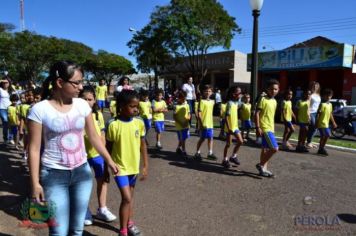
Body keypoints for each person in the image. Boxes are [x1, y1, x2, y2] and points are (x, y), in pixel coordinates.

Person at [27, 61, 119, 236]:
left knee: (77, 229)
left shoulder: (82, 105)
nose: (81, 87)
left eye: (81, 82)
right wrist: (35, 183)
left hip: (82, 173)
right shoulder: (39, 110)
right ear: (60, 83)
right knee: (58, 231)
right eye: (76, 82)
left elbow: (93, 136)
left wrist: (109, 159)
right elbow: (34, 149)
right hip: (54, 175)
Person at [106, 90, 148, 236]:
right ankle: (123, 231)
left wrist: (145, 166)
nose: (136, 109)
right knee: (126, 198)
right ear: (122, 106)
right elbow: (108, 148)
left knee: (130, 197)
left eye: (137, 106)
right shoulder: (113, 124)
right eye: (132, 106)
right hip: (119, 168)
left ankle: (129, 223)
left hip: (133, 167)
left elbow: (143, 145)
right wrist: (107, 168)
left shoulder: (139, 122)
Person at [79, 86, 117, 226]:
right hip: (82, 156)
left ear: (95, 100)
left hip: (97, 155)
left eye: (90, 99)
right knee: (84, 184)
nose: (87, 102)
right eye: (84, 99)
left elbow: (101, 135)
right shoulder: (74, 114)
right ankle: (84, 210)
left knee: (102, 181)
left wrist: (106, 155)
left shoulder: (98, 115)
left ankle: (102, 208)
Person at [255, 79, 280, 177]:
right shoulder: (263, 99)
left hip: (271, 128)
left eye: (276, 89)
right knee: (274, 148)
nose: (273, 91)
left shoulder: (274, 101)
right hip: (264, 128)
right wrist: (257, 127)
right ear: (267, 89)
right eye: (271, 89)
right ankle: (260, 165)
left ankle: (263, 170)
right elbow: (256, 113)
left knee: (265, 149)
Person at [221, 86, 244, 168]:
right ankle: (225, 160)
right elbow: (226, 117)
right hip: (229, 128)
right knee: (228, 144)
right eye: (239, 93)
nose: (241, 94)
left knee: (240, 141)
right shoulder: (230, 103)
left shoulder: (236, 102)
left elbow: (241, 105)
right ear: (234, 94)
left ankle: (233, 156)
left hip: (235, 127)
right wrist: (229, 127)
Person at [194, 85, 216, 161]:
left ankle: (210, 153)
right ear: (203, 92)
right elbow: (199, 114)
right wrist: (201, 124)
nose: (208, 92)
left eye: (209, 91)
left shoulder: (212, 102)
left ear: (212, 92)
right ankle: (197, 152)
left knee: (211, 138)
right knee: (202, 139)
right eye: (206, 91)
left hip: (210, 123)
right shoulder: (201, 102)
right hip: (204, 124)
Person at [316, 89, 337, 156]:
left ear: (331, 96)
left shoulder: (330, 105)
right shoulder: (322, 104)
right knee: (323, 135)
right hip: (321, 123)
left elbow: (330, 114)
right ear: (323, 96)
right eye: (327, 96)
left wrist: (333, 122)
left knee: (328, 135)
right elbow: (318, 114)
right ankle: (321, 149)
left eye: (330, 96)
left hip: (326, 124)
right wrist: (317, 123)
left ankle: (321, 148)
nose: (328, 97)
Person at [173, 90, 191, 156]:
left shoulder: (187, 105)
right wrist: (181, 123)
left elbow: (189, 113)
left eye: (185, 98)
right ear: (179, 98)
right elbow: (174, 117)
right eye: (182, 99)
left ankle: (178, 148)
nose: (184, 100)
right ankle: (184, 151)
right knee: (183, 138)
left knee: (184, 138)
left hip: (186, 125)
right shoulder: (176, 106)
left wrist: (188, 118)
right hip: (180, 126)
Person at [306, 81, 321, 148]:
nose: (315, 88)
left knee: (314, 128)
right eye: (314, 86)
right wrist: (308, 114)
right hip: (311, 112)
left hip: (316, 113)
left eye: (316, 86)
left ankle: (309, 142)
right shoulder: (310, 95)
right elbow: (308, 105)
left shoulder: (318, 95)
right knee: (313, 128)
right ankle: (308, 142)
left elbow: (318, 105)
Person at [0, 77, 12, 143]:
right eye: (4, 83)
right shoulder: (0, 90)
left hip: (10, 108)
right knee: (5, 121)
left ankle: (10, 138)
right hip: (2, 108)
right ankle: (5, 138)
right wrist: (2, 80)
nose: (5, 84)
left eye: (7, 82)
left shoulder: (10, 91)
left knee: (11, 124)